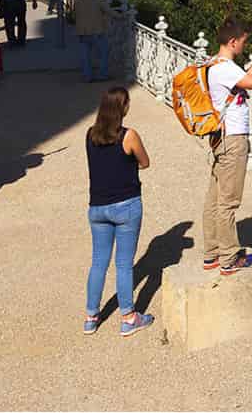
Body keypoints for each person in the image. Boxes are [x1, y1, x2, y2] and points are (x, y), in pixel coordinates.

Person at [201, 17, 252, 275]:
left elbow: (243, 81)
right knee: (228, 202)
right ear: (233, 41)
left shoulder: (215, 64)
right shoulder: (225, 69)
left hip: (220, 138)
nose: (244, 47)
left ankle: (212, 252)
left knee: (215, 198)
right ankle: (228, 258)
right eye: (243, 43)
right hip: (233, 141)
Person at [84, 86, 154, 336]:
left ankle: (91, 316)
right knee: (124, 264)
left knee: (98, 263)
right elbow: (145, 162)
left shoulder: (90, 134)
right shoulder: (129, 135)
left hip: (97, 207)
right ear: (122, 108)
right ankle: (128, 317)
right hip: (126, 205)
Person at [73, 0, 114, 82]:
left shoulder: (78, 1)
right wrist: (122, 15)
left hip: (82, 32)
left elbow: (74, 16)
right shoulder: (99, 0)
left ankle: (87, 76)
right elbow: (109, 12)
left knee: (85, 55)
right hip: (97, 31)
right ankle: (102, 75)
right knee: (103, 53)